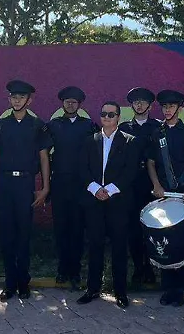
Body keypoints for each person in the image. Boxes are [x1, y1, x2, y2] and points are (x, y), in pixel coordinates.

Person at [0, 80, 53, 300]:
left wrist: (45, 187)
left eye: (21, 97)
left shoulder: (37, 125)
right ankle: (9, 283)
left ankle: (24, 282)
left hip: (25, 184)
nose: (16, 100)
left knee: (24, 235)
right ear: (9, 100)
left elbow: (44, 158)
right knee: (6, 236)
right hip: (4, 184)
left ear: (29, 100)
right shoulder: (0, 125)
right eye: (13, 97)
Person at [77, 101, 139, 308]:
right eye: (103, 113)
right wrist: (95, 189)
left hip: (118, 202)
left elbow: (130, 172)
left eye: (111, 114)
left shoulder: (130, 141)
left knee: (119, 247)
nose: (107, 117)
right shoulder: (89, 141)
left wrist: (110, 190)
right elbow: (82, 169)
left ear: (118, 117)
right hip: (94, 201)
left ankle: (120, 291)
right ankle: (93, 288)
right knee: (95, 246)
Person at [147, 89, 184, 307]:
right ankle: (167, 288)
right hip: (163, 196)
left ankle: (180, 289)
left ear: (180, 108)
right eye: (165, 107)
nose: (168, 110)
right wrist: (157, 185)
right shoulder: (156, 132)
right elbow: (151, 162)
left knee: (181, 242)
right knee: (164, 240)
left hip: (182, 195)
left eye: (172, 106)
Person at [48, 86, 99, 290]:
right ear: (62, 103)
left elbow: (95, 156)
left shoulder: (88, 126)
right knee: (61, 228)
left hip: (81, 185)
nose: (70, 104)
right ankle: (62, 268)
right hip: (59, 183)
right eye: (67, 101)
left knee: (78, 229)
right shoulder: (52, 125)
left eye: (74, 102)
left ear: (80, 105)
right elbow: (44, 153)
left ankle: (76, 271)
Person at [119, 87, 161, 284]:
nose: (139, 104)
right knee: (134, 228)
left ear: (150, 105)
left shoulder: (158, 127)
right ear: (131, 105)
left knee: (152, 227)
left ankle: (151, 268)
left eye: (143, 101)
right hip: (131, 183)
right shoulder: (124, 128)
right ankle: (138, 268)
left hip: (153, 183)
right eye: (136, 102)